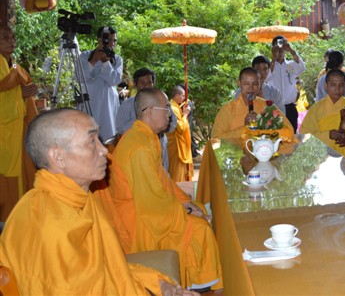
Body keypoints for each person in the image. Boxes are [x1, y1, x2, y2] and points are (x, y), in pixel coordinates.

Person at [0, 109, 192, 295]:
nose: (103, 150)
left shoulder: (79, 198)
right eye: (92, 141)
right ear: (58, 157)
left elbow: (108, 267)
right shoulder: (48, 228)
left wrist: (159, 285)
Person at [105, 88, 222, 291]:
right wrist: (185, 211)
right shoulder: (138, 147)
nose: (170, 113)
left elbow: (163, 182)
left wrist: (186, 203)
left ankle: (200, 280)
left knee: (200, 209)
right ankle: (201, 284)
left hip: (150, 207)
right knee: (200, 228)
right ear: (149, 111)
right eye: (166, 108)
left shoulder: (146, 137)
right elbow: (151, 202)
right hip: (139, 221)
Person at [0, 25, 38, 221]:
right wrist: (19, 95)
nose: (11, 40)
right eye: (5, 37)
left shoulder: (14, 66)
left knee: (24, 171)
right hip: (3, 133)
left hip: (18, 129)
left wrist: (27, 94)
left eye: (13, 37)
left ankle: (20, 217)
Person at [300, 69, 345, 172]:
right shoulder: (316, 109)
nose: (337, 89)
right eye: (333, 85)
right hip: (322, 160)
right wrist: (328, 135)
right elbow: (305, 135)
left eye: (341, 85)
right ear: (326, 86)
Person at [116, 67, 175, 171]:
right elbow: (120, 128)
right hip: (136, 149)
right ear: (135, 84)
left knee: (161, 173)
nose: (146, 86)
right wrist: (143, 121)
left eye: (149, 82)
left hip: (159, 145)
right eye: (142, 83)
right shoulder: (126, 105)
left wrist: (159, 124)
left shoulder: (161, 102)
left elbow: (173, 125)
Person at [214, 67, 294, 140]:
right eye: (246, 84)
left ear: (260, 85)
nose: (251, 88)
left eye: (255, 84)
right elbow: (216, 139)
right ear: (239, 84)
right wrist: (244, 129)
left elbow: (289, 130)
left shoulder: (267, 107)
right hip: (235, 151)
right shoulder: (227, 110)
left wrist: (262, 129)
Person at [79, 26, 123, 142]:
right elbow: (81, 77)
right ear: (99, 40)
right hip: (90, 102)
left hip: (109, 104)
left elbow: (115, 80)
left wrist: (105, 62)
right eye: (109, 40)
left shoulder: (117, 59)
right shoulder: (85, 56)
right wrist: (93, 60)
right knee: (87, 137)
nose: (112, 44)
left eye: (115, 40)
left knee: (109, 136)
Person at [265, 35, 306, 130]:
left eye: (283, 45)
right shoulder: (269, 66)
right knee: (275, 134)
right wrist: (273, 58)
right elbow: (265, 77)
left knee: (292, 134)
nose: (281, 49)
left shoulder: (289, 65)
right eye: (278, 45)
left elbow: (302, 68)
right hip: (274, 108)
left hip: (290, 107)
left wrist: (292, 51)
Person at [167, 85, 193, 182]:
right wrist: (185, 114)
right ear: (177, 96)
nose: (184, 98)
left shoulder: (176, 106)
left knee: (180, 174)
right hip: (176, 147)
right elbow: (181, 128)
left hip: (177, 145)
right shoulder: (173, 109)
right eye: (183, 96)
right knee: (176, 176)